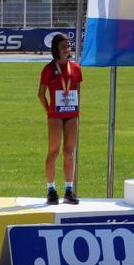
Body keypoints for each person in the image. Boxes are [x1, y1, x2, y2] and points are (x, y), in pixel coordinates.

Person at [38, 33, 82, 204]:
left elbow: (77, 90)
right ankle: (51, 190)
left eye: (68, 46)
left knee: (69, 153)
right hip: (55, 115)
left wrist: (75, 108)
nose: (67, 49)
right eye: (63, 46)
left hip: (72, 114)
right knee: (54, 151)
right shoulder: (49, 69)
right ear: (56, 48)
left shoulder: (75, 68)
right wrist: (48, 109)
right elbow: (40, 94)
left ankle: (69, 190)